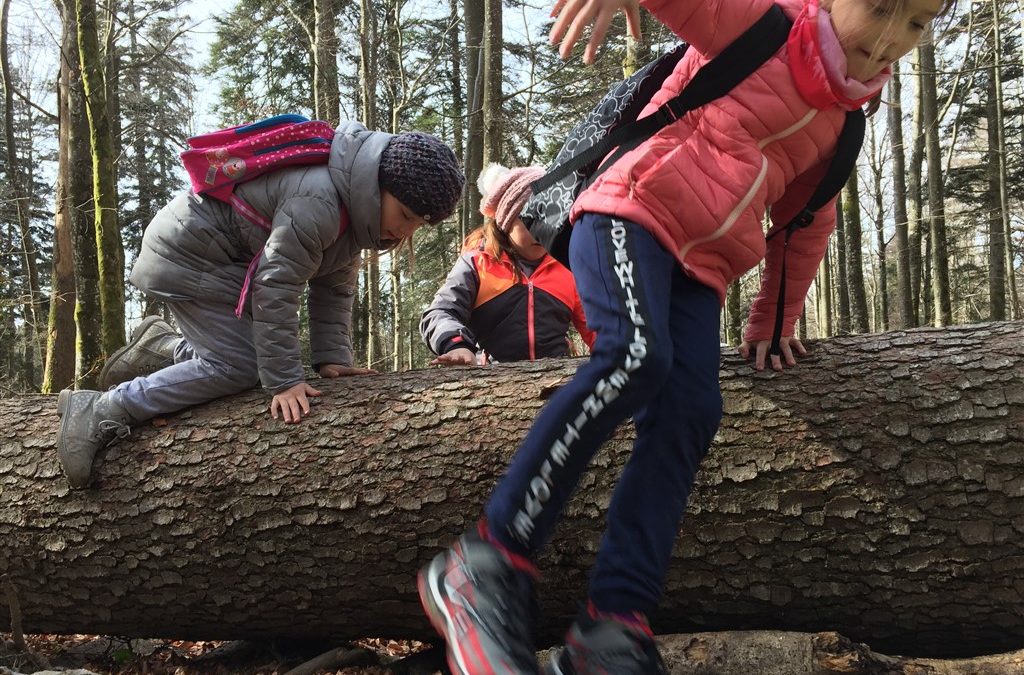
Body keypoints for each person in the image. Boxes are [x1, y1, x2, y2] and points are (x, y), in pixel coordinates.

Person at [417, 0, 952, 673]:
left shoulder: (842, 127)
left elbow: (805, 222)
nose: (891, 38)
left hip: (704, 268)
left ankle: (610, 627)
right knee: (635, 356)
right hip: (626, 209)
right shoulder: (764, 25)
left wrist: (775, 320)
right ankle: (488, 560)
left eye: (918, 23)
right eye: (880, 9)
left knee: (693, 409)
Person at [56, 122, 465, 489]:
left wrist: (331, 357)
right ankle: (103, 407)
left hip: (226, 261)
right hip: (192, 255)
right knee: (239, 367)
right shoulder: (320, 200)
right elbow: (275, 285)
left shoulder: (356, 214)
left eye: (419, 224)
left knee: (238, 356)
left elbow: (334, 287)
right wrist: (284, 380)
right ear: (379, 184)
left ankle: (158, 348)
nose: (405, 230)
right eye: (405, 214)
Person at [421, 164, 595, 366]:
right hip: (492, 385)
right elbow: (439, 313)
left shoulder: (568, 267)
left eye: (551, 218)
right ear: (506, 221)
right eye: (529, 220)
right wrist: (456, 344)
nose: (541, 229)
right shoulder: (477, 264)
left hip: (556, 381)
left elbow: (596, 327)